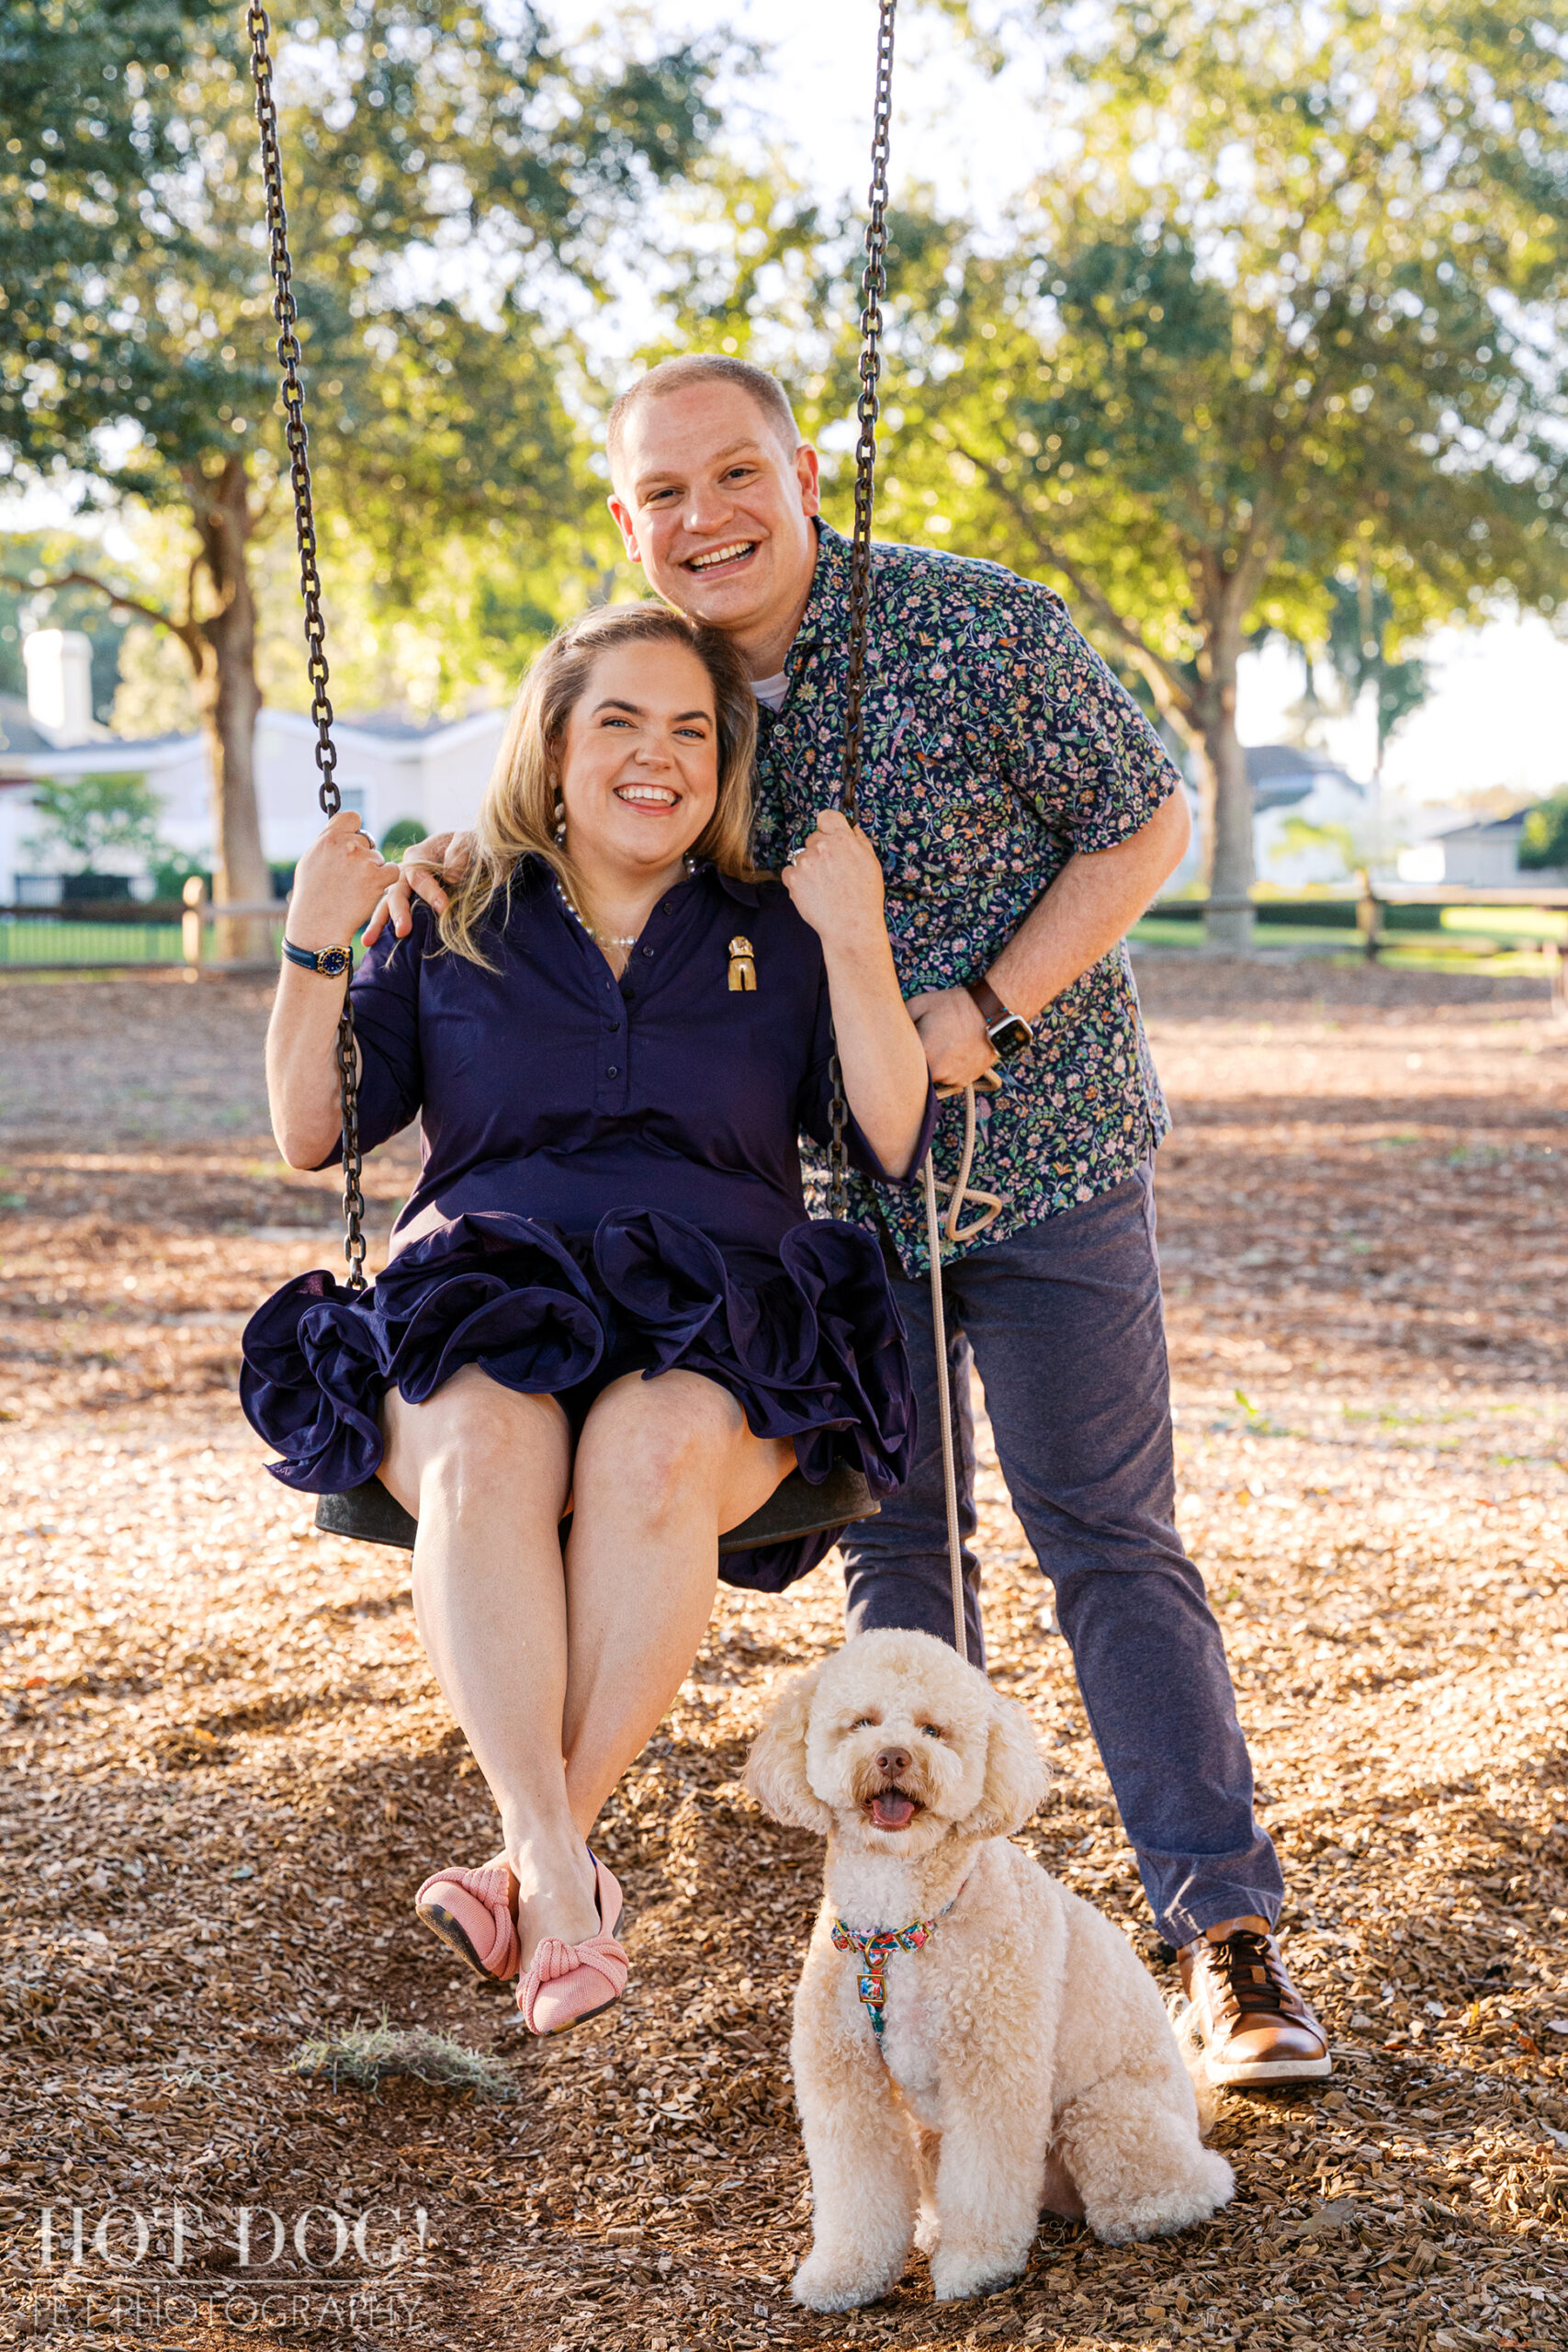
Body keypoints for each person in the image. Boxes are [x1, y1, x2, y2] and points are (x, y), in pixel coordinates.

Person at [371, 356, 1330, 2087]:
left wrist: (995, 1005)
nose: (706, 517)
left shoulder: (975, 624)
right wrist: (451, 866)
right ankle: (926, 1953)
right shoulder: (665, 686)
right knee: (898, 1554)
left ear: (806, 472)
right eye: (664, 494)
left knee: (1106, 1535)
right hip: (814, 1213)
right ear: (627, 520)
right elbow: (584, 829)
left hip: (1041, 1154)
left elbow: (1148, 821)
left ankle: (1224, 1942)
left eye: (737, 474)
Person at [243, 602, 932, 2035]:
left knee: (654, 1452)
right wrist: (316, 948)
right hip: (485, 1292)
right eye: (619, 720)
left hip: (721, 1315)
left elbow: (885, 1133)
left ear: (722, 763)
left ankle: (529, 1866)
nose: (657, 756)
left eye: (691, 729)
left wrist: (857, 943)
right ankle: (562, 1873)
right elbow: (315, 1131)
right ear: (554, 748)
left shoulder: (778, 925)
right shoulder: (451, 914)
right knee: (488, 1454)